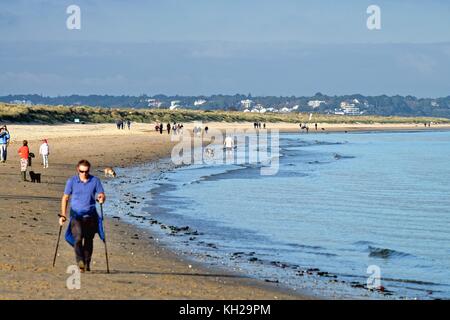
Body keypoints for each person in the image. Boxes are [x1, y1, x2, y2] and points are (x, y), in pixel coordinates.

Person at [59, 160, 106, 272]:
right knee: (78, 238)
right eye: (81, 171)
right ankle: (80, 262)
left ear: (89, 170)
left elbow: (102, 195)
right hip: (76, 216)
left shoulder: (95, 181)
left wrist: (101, 199)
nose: (84, 174)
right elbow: (65, 198)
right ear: (77, 170)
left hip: (90, 216)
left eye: (86, 171)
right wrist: (63, 215)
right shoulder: (71, 181)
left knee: (89, 240)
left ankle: (87, 263)